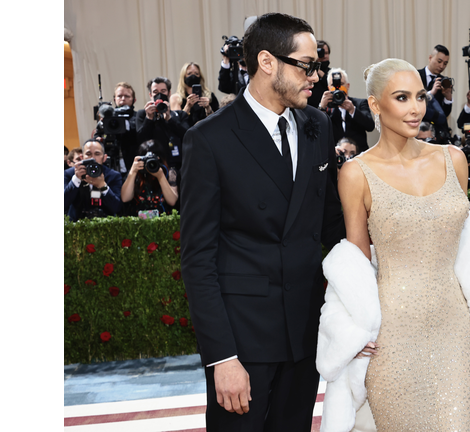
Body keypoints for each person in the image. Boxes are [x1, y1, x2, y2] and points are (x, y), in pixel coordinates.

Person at [319, 58, 470, 431]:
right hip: (391, 335)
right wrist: (350, 333)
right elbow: (355, 264)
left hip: (452, 330)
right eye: (402, 97)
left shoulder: (452, 159)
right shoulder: (355, 172)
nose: (415, 108)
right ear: (375, 104)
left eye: (420, 97)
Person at [179, 12, 346, 432]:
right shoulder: (209, 139)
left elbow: (331, 227)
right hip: (243, 341)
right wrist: (222, 357)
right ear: (267, 62)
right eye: (306, 66)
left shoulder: (317, 124)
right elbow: (198, 258)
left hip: (305, 331)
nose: (316, 76)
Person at [135, 76, 190, 176]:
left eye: (163, 91)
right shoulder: (142, 114)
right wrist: (149, 119)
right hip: (151, 165)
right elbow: (140, 140)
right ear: (150, 95)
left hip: (178, 166)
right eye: (155, 92)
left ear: (169, 93)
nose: (159, 95)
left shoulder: (180, 115)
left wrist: (169, 119)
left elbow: (187, 136)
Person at [64, 139, 123, 222]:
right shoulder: (69, 174)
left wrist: (102, 186)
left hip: (106, 224)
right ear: (82, 157)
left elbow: (116, 208)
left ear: (104, 158)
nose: (93, 158)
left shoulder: (113, 176)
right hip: (77, 225)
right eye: (88, 154)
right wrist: (76, 179)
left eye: (97, 154)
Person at [319, 68, 375, 150]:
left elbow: (370, 126)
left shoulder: (360, 103)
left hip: (358, 154)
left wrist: (353, 111)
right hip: (334, 155)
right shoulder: (326, 107)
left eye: (341, 84)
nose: (338, 88)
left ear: (348, 86)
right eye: (333, 85)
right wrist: (321, 107)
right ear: (328, 88)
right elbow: (317, 129)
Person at [121, 140, 178, 216]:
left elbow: (172, 201)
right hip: (138, 224)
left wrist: (161, 177)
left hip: (164, 222)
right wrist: (133, 172)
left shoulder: (169, 173)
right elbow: (125, 198)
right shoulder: (135, 173)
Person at [171, 62, 220, 128]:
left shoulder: (210, 96)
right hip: (186, 134)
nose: (193, 76)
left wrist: (208, 108)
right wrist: (187, 106)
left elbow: (217, 121)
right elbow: (176, 122)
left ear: (200, 76)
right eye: (189, 73)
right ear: (184, 77)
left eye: (196, 74)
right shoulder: (176, 98)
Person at [307, 39, 331, 109]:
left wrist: (319, 71)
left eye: (327, 53)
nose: (325, 56)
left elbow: (329, 84)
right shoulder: (309, 71)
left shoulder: (331, 72)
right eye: (322, 53)